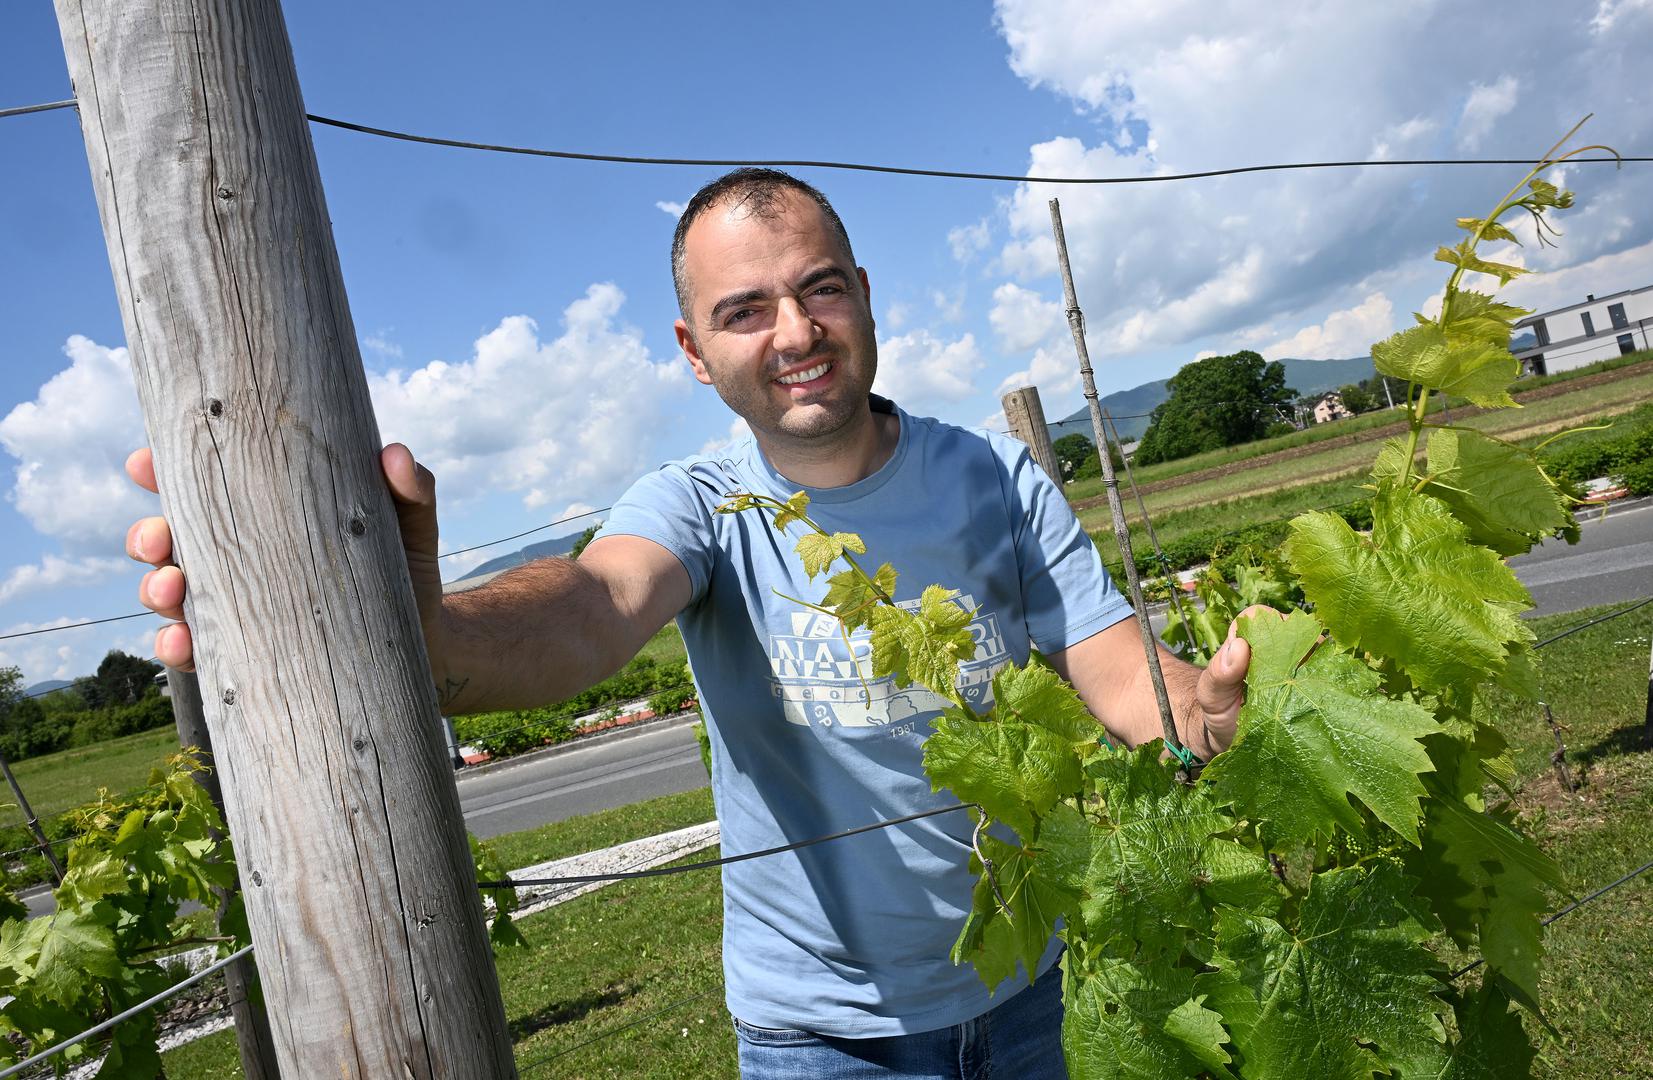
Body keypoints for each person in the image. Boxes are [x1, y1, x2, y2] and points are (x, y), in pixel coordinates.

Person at [126, 168, 1255, 1079]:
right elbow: (593, 604)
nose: (795, 331)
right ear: (693, 351)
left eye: (820, 289)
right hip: (823, 1041)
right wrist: (402, 626)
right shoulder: (703, 506)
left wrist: (1197, 716)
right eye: (744, 311)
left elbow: (1122, 674)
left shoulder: (995, 479)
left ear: (865, 294)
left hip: (1030, 991)